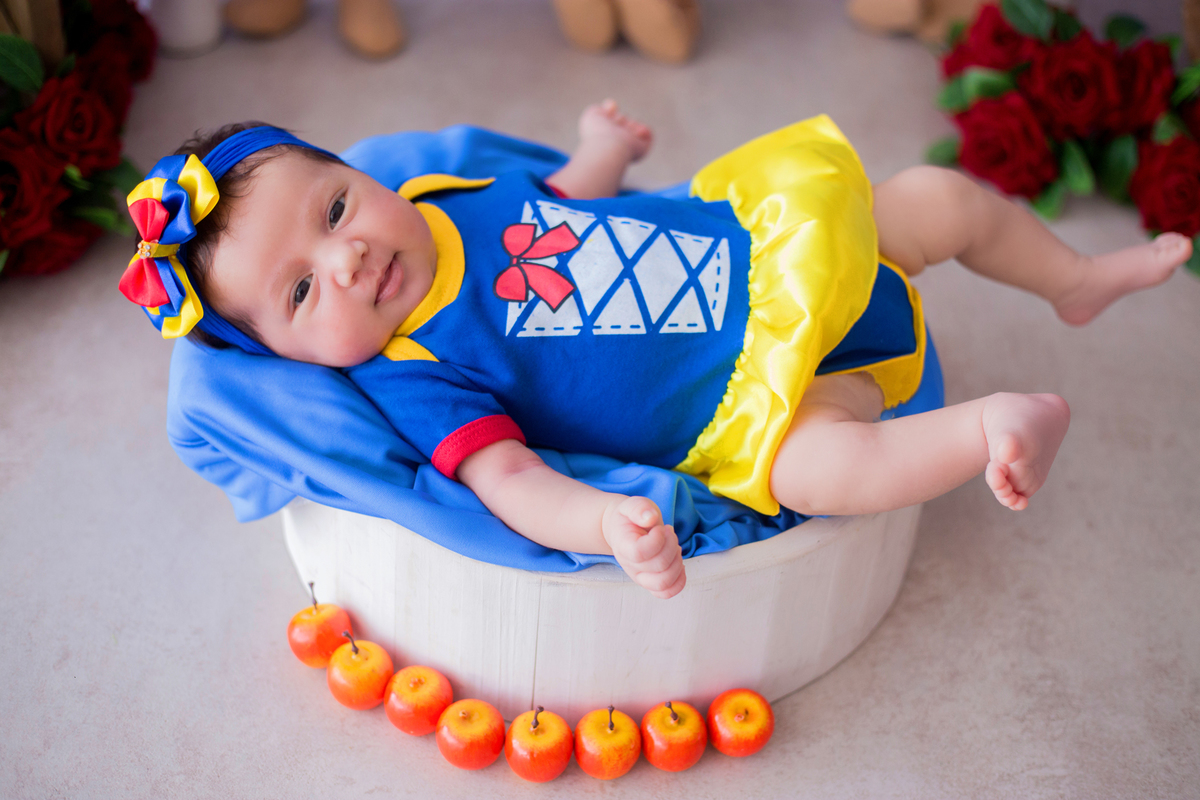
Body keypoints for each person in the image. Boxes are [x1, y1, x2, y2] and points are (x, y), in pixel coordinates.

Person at [120, 102, 1190, 600]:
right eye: (301, 290)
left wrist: (601, 149)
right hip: (760, 399)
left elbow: (557, 197)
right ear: (290, 356)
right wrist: (602, 522)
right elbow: (508, 480)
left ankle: (1073, 279)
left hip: (776, 255)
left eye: (335, 207)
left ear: (362, 174)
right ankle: (990, 426)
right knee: (823, 473)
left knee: (932, 198)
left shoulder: (440, 193)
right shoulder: (410, 373)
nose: (347, 257)